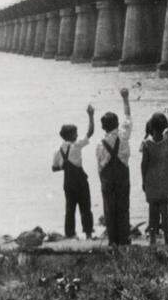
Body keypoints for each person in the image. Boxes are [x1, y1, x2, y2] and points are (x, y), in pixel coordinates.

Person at [51, 104, 95, 239]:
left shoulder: (58, 151)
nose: (77, 135)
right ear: (71, 135)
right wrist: (91, 116)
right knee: (85, 207)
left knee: (70, 209)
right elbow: (90, 132)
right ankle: (88, 233)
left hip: (68, 182)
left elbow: (54, 168)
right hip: (80, 181)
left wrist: (64, 166)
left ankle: (70, 234)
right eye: (75, 133)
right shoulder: (76, 146)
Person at [96, 87, 132, 247]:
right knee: (123, 207)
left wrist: (102, 180)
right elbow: (128, 117)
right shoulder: (123, 135)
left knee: (109, 209)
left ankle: (113, 240)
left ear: (103, 127)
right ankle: (124, 239)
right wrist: (125, 98)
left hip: (107, 178)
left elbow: (100, 165)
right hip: (122, 174)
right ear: (117, 124)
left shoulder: (100, 144)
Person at [140, 107, 168, 247]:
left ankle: (152, 239)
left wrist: (143, 181)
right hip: (166, 180)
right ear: (164, 126)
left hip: (151, 180)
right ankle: (167, 238)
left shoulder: (147, 144)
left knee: (152, 211)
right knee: (165, 211)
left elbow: (143, 164)